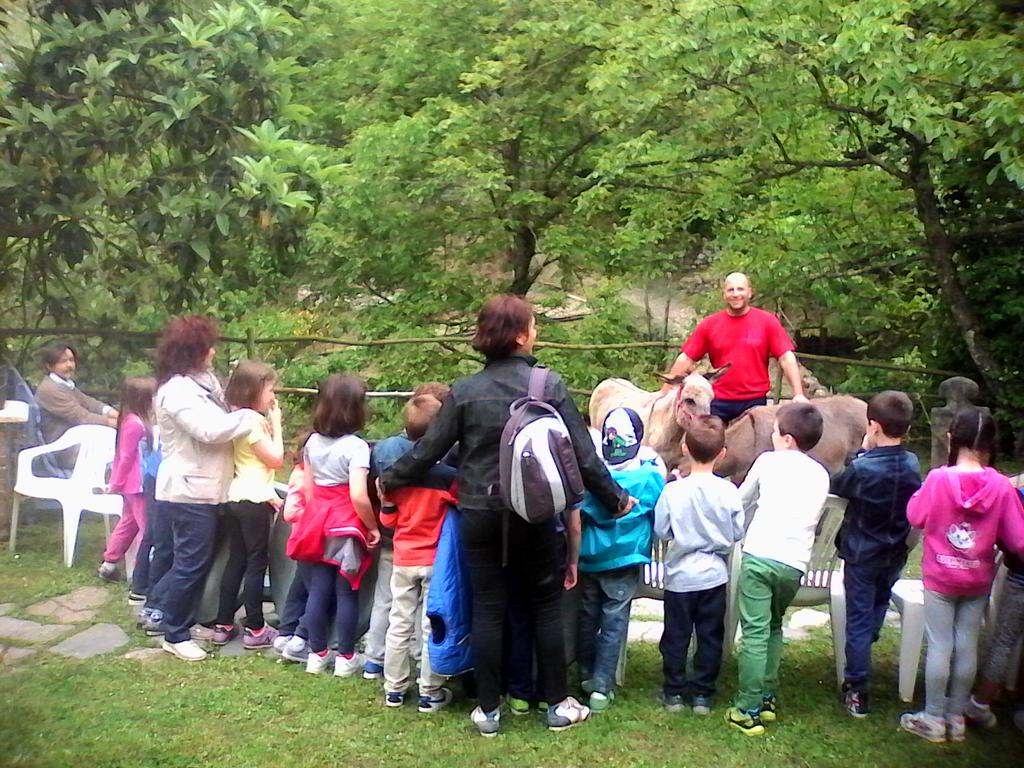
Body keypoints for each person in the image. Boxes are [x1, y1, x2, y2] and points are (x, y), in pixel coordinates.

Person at [381, 295, 634, 737]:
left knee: (489, 607)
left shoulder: (464, 391)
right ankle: (557, 705)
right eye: (533, 325)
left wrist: (389, 478)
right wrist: (616, 499)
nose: (536, 330)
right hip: (535, 516)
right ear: (520, 335)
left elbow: (427, 452)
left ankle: (488, 711)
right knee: (544, 606)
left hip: (479, 513)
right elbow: (583, 455)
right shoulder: (548, 385)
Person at [900, 407, 1024, 743]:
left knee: (941, 644)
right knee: (967, 643)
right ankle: (956, 716)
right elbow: (1017, 539)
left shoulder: (939, 478)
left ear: (952, 438)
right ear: (989, 444)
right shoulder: (1001, 486)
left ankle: (933, 718)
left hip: (940, 577)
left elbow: (915, 514)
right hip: (977, 578)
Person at [149, 316, 260, 662]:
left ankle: (168, 614)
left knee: (197, 562)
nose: (213, 352)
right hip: (188, 491)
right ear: (192, 352)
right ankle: (173, 632)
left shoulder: (202, 382)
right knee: (190, 564)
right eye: (207, 347)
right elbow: (210, 430)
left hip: (210, 488)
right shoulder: (176, 391)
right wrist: (251, 416)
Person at [727, 402, 829, 735]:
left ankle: (748, 707)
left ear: (785, 438)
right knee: (773, 626)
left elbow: (741, 500)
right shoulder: (820, 473)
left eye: (774, 430)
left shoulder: (767, 462)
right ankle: (768, 696)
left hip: (759, 556)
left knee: (754, 632)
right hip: (794, 563)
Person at [830, 391, 921, 717]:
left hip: (861, 555)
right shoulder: (912, 463)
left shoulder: (862, 468)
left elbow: (838, 486)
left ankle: (857, 689)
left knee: (857, 618)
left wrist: (859, 454)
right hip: (895, 553)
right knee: (877, 606)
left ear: (873, 426)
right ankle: (866, 643)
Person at [289, 374, 381, 678]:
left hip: (317, 523)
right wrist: (373, 527)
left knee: (317, 590)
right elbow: (358, 495)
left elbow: (311, 489)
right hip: (346, 527)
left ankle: (317, 655)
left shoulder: (312, 442)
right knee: (347, 592)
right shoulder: (357, 447)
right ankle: (345, 657)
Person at [654, 414, 743, 716]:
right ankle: (703, 694)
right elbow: (737, 532)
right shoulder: (728, 491)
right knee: (709, 635)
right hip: (714, 576)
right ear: (722, 454)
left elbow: (661, 530)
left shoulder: (672, 491)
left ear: (685, 448)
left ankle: (674, 692)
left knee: (676, 634)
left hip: (679, 576)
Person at [578, 407, 666, 713]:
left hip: (589, 559)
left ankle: (585, 675)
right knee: (614, 620)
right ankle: (601, 687)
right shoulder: (651, 478)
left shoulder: (592, 478)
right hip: (625, 561)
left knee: (588, 618)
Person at [363, 382, 450, 680]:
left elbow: (381, 501)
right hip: (432, 552)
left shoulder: (385, 449)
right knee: (428, 617)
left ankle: (380, 666)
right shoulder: (444, 473)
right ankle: (428, 682)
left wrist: (383, 517)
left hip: (398, 546)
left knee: (389, 605)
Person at [381, 394, 457, 712]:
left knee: (399, 622)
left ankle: (394, 689)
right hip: (435, 561)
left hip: (403, 559)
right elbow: (461, 507)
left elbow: (388, 518)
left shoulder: (396, 475)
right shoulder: (447, 478)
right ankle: (430, 690)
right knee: (432, 625)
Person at [660, 272, 806, 422]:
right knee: (704, 441)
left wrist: (798, 393)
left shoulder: (767, 322)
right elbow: (686, 358)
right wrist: (663, 394)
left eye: (740, 289)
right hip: (717, 401)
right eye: (731, 290)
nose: (736, 294)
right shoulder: (710, 324)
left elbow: (786, 357)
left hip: (754, 402)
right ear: (724, 295)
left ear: (750, 292)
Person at [211, 361, 285, 650]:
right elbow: (276, 459)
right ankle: (255, 627)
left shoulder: (237, 417)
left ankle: (223, 623)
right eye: (269, 389)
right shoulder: (252, 421)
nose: (272, 395)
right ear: (254, 390)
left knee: (236, 561)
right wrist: (276, 424)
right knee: (256, 564)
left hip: (237, 496)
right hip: (253, 502)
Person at [97, 377, 157, 587]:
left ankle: (109, 564)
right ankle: (142, 573)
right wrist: (115, 483)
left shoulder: (134, 420)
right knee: (147, 529)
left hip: (134, 484)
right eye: (153, 396)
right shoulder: (135, 423)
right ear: (143, 399)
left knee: (128, 524)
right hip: (137, 485)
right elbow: (125, 457)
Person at [34, 341, 118, 466]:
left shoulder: (64, 384)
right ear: (49, 366)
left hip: (77, 440)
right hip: (64, 450)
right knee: (120, 449)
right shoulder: (50, 389)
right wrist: (115, 423)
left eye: (71, 360)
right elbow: (81, 417)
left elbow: (89, 402)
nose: (69, 365)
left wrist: (113, 412)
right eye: (63, 361)